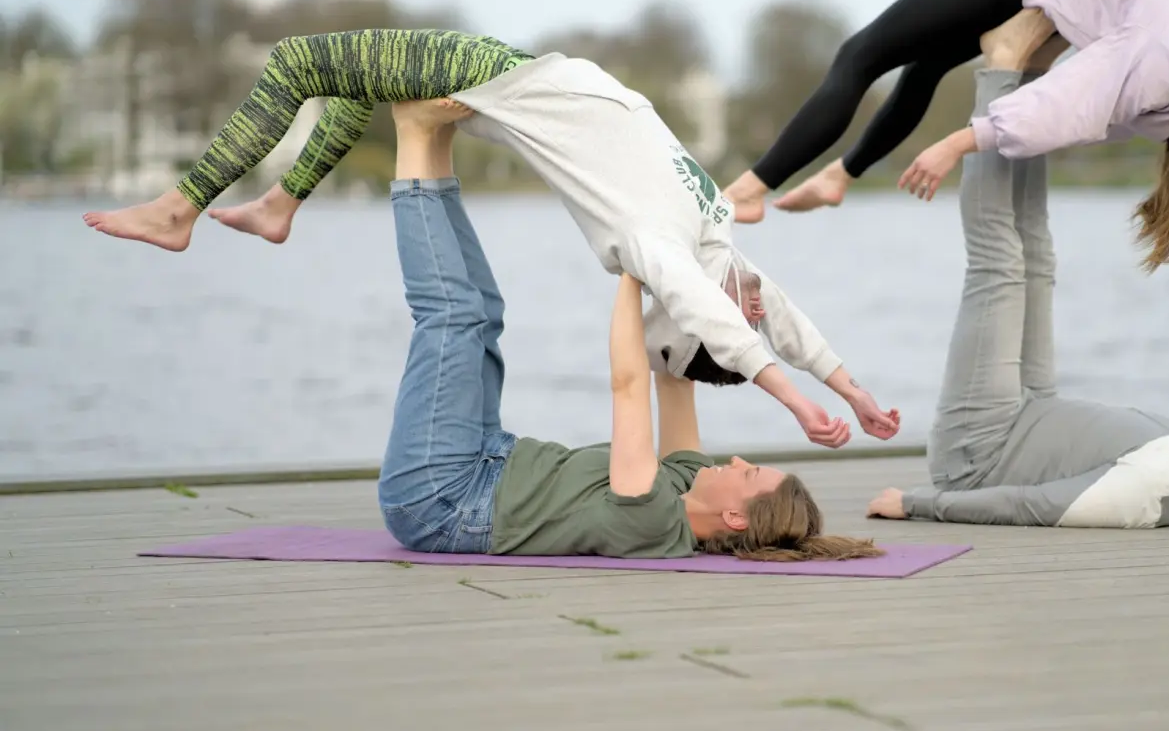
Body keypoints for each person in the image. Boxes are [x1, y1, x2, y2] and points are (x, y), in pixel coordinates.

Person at [81, 30, 900, 449]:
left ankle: (180, 209)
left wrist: (794, 405)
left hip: (502, 79)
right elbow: (779, 319)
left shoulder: (655, 253)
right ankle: (281, 207)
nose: (752, 305)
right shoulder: (716, 237)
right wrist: (851, 394)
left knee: (298, 60)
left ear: (697, 323)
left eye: (738, 318)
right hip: (521, 70)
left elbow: (725, 327)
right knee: (355, 82)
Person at [374, 99, 883, 561]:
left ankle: (414, 138)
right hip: (488, 454)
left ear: (733, 518)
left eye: (747, 472)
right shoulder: (686, 479)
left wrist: (635, 267)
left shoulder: (654, 519)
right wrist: (700, 284)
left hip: (441, 497)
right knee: (485, 312)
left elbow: (630, 382)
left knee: (454, 318)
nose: (737, 458)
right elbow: (670, 370)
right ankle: (436, 141)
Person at [864, 56, 1169, 530]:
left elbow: (1030, 506)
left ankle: (1000, 71)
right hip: (1033, 408)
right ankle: (1029, 84)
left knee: (998, 264)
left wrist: (917, 504)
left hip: (979, 450)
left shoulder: (1148, 496)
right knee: (1037, 256)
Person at [722, 0, 1169, 271]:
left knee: (860, 56)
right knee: (928, 66)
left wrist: (961, 141)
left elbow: (1072, 104)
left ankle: (748, 191)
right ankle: (841, 175)